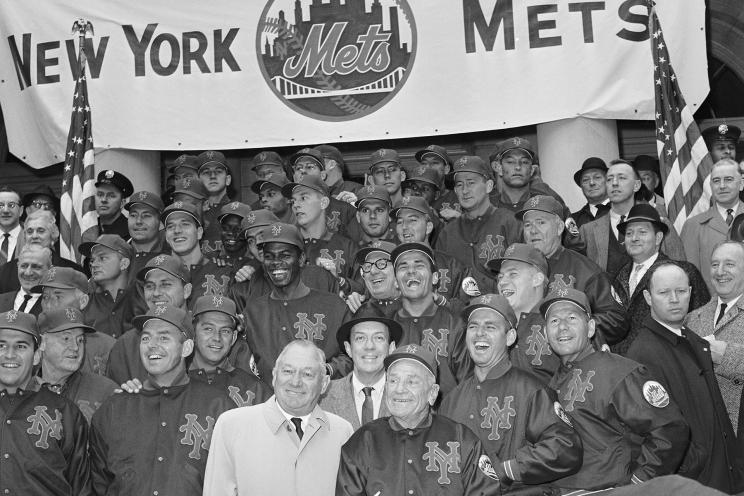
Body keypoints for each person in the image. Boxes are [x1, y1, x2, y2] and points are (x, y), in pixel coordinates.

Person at [542, 288, 689, 490]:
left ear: (591, 327)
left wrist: (639, 483)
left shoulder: (621, 372)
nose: (563, 327)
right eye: (554, 321)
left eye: (572, 318)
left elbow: (671, 430)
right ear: (545, 333)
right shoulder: (555, 381)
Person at [439, 294, 582, 492]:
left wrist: (507, 469)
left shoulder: (532, 390)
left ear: (510, 337)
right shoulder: (451, 400)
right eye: (473, 326)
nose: (479, 333)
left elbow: (565, 448)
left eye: (490, 327)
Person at [90, 304, 235, 496]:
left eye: (164, 337)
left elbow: (235, 480)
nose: (152, 345)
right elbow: (99, 483)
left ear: (186, 347)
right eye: (146, 338)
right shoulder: (114, 408)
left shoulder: (218, 407)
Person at [625, 263, 742, 493]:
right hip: (693, 481)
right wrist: (693, 464)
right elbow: (654, 433)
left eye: (680, 291)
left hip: (722, 475)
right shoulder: (642, 354)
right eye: (664, 293)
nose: (674, 299)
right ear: (648, 297)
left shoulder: (693, 339)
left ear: (690, 292)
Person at [336, 345, 501, 495]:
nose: (399, 389)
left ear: (432, 393)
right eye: (393, 380)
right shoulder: (363, 441)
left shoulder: (462, 439)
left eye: (411, 381)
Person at [204, 340, 354, 496]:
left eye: (307, 374)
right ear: (274, 376)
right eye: (288, 371)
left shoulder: (342, 432)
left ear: (324, 384)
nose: (295, 382)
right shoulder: (232, 426)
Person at [242, 222, 351, 382]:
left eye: (285, 255)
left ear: (301, 259)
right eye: (269, 256)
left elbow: (350, 356)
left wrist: (325, 370)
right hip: (269, 401)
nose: (276, 262)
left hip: (319, 400)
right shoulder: (254, 310)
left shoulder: (334, 306)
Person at [0, 309, 94, 495]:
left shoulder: (65, 412)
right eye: (1, 345)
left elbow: (81, 488)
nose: (9, 354)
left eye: (21, 347)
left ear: (36, 356)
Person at [518, 195, 628, 345]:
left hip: (569, 362)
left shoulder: (586, 271)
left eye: (541, 222)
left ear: (559, 227)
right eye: (528, 225)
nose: (533, 231)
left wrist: (574, 326)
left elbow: (616, 319)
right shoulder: (514, 270)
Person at [611, 204, 710, 354]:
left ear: (658, 237)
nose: (634, 238)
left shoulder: (684, 272)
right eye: (629, 233)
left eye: (642, 232)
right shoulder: (617, 276)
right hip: (621, 364)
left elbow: (702, 320)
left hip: (665, 359)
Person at [581, 160, 685, 277]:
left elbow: (680, 269)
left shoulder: (660, 222)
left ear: (636, 185)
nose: (614, 183)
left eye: (622, 178)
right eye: (609, 179)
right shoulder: (588, 230)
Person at [435, 155, 521, 294]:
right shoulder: (448, 232)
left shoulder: (509, 222)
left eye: (471, 183)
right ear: (455, 190)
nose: (465, 190)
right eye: (459, 184)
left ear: (488, 186)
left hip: (500, 308)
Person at [685, 241, 744, 433]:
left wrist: (726, 355)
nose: (720, 271)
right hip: (704, 431)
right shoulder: (692, 318)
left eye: (729, 264)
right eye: (715, 264)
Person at [106, 254, 192, 385]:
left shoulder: (205, 333)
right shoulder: (126, 344)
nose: (156, 293)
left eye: (166, 285)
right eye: (150, 286)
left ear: (186, 291)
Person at [392, 242, 464, 394]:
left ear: (435, 278)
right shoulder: (386, 327)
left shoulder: (456, 324)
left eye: (419, 265)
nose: (411, 271)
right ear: (395, 282)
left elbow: (467, 383)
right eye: (403, 267)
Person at [487, 243, 561, 382]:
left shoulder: (561, 320)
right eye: (500, 276)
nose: (502, 282)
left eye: (513, 274)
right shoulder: (491, 324)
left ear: (537, 279)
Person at [320, 313, 400, 430]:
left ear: (391, 348)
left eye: (378, 338)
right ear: (348, 348)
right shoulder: (323, 395)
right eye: (360, 338)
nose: (369, 346)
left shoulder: (406, 395)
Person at [36, 307, 117, 423]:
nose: (75, 347)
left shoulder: (105, 391)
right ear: (42, 343)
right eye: (66, 338)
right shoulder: (24, 390)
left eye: (80, 340)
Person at [188, 295, 272, 407]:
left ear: (233, 338)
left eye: (225, 331)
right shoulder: (174, 381)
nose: (217, 338)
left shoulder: (255, 389)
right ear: (193, 333)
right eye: (208, 329)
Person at [392, 195, 471, 310]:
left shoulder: (454, 265)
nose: (404, 227)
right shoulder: (387, 265)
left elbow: (468, 307)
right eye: (399, 222)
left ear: (428, 227)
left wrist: (446, 304)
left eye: (412, 220)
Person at [34, 266, 115, 376]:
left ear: (83, 301)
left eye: (58, 297)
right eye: (45, 297)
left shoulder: (106, 347)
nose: (48, 305)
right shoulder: (31, 341)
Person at [281, 175, 358, 287]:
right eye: (293, 201)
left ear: (324, 203)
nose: (296, 205)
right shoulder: (285, 247)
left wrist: (340, 281)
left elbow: (363, 289)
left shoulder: (347, 247)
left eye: (303, 198)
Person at [681, 158, 744, 291]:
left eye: (728, 179)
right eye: (716, 181)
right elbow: (689, 278)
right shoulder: (693, 226)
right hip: (712, 307)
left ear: (741, 184)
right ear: (710, 185)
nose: (722, 186)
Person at [162, 201, 232, 308]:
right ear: (166, 236)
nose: (177, 230)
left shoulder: (224, 271)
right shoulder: (156, 275)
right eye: (170, 226)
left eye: (185, 224)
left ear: (199, 232)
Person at [0, 209, 83, 293]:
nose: (34, 236)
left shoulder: (74, 271)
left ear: (52, 234)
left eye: (40, 231)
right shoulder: (5, 271)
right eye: (30, 231)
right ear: (24, 236)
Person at [289, 147, 357, 237]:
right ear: (294, 176)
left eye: (310, 167)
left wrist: (356, 208)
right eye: (298, 168)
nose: (303, 171)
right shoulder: (285, 204)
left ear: (323, 175)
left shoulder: (342, 205)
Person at [79, 234, 137, 338]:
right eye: (92, 260)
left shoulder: (141, 301)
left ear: (123, 264)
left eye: (102, 258)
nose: (94, 265)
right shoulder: (84, 306)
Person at [344, 241, 401, 318]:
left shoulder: (417, 307)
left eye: (381, 264)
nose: (373, 271)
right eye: (367, 266)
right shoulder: (357, 310)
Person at [197, 150, 234, 253]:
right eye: (206, 172)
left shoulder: (239, 211)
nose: (212, 176)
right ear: (198, 181)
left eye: (218, 171)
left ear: (228, 179)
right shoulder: (192, 212)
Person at [124, 190, 167, 277]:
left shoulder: (171, 255)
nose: (138, 221)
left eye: (146, 216)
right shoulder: (116, 254)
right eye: (133, 215)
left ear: (160, 222)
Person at [0, 244, 50, 316]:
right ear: (17, 266)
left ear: (49, 269)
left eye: (36, 267)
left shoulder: (55, 306)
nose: (28, 273)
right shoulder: (1, 300)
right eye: (24, 266)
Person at [92, 169, 134, 241]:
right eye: (100, 195)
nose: (104, 200)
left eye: (111, 196)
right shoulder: (88, 227)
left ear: (122, 203)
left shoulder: (132, 231)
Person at [571, 157, 610, 228]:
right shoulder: (572, 221)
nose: (592, 183)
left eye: (597, 177)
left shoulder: (624, 211)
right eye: (586, 180)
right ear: (581, 186)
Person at [0, 185, 24, 265]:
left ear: (21, 210)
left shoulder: (32, 238)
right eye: (1, 205)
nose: (5, 210)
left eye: (11, 205)